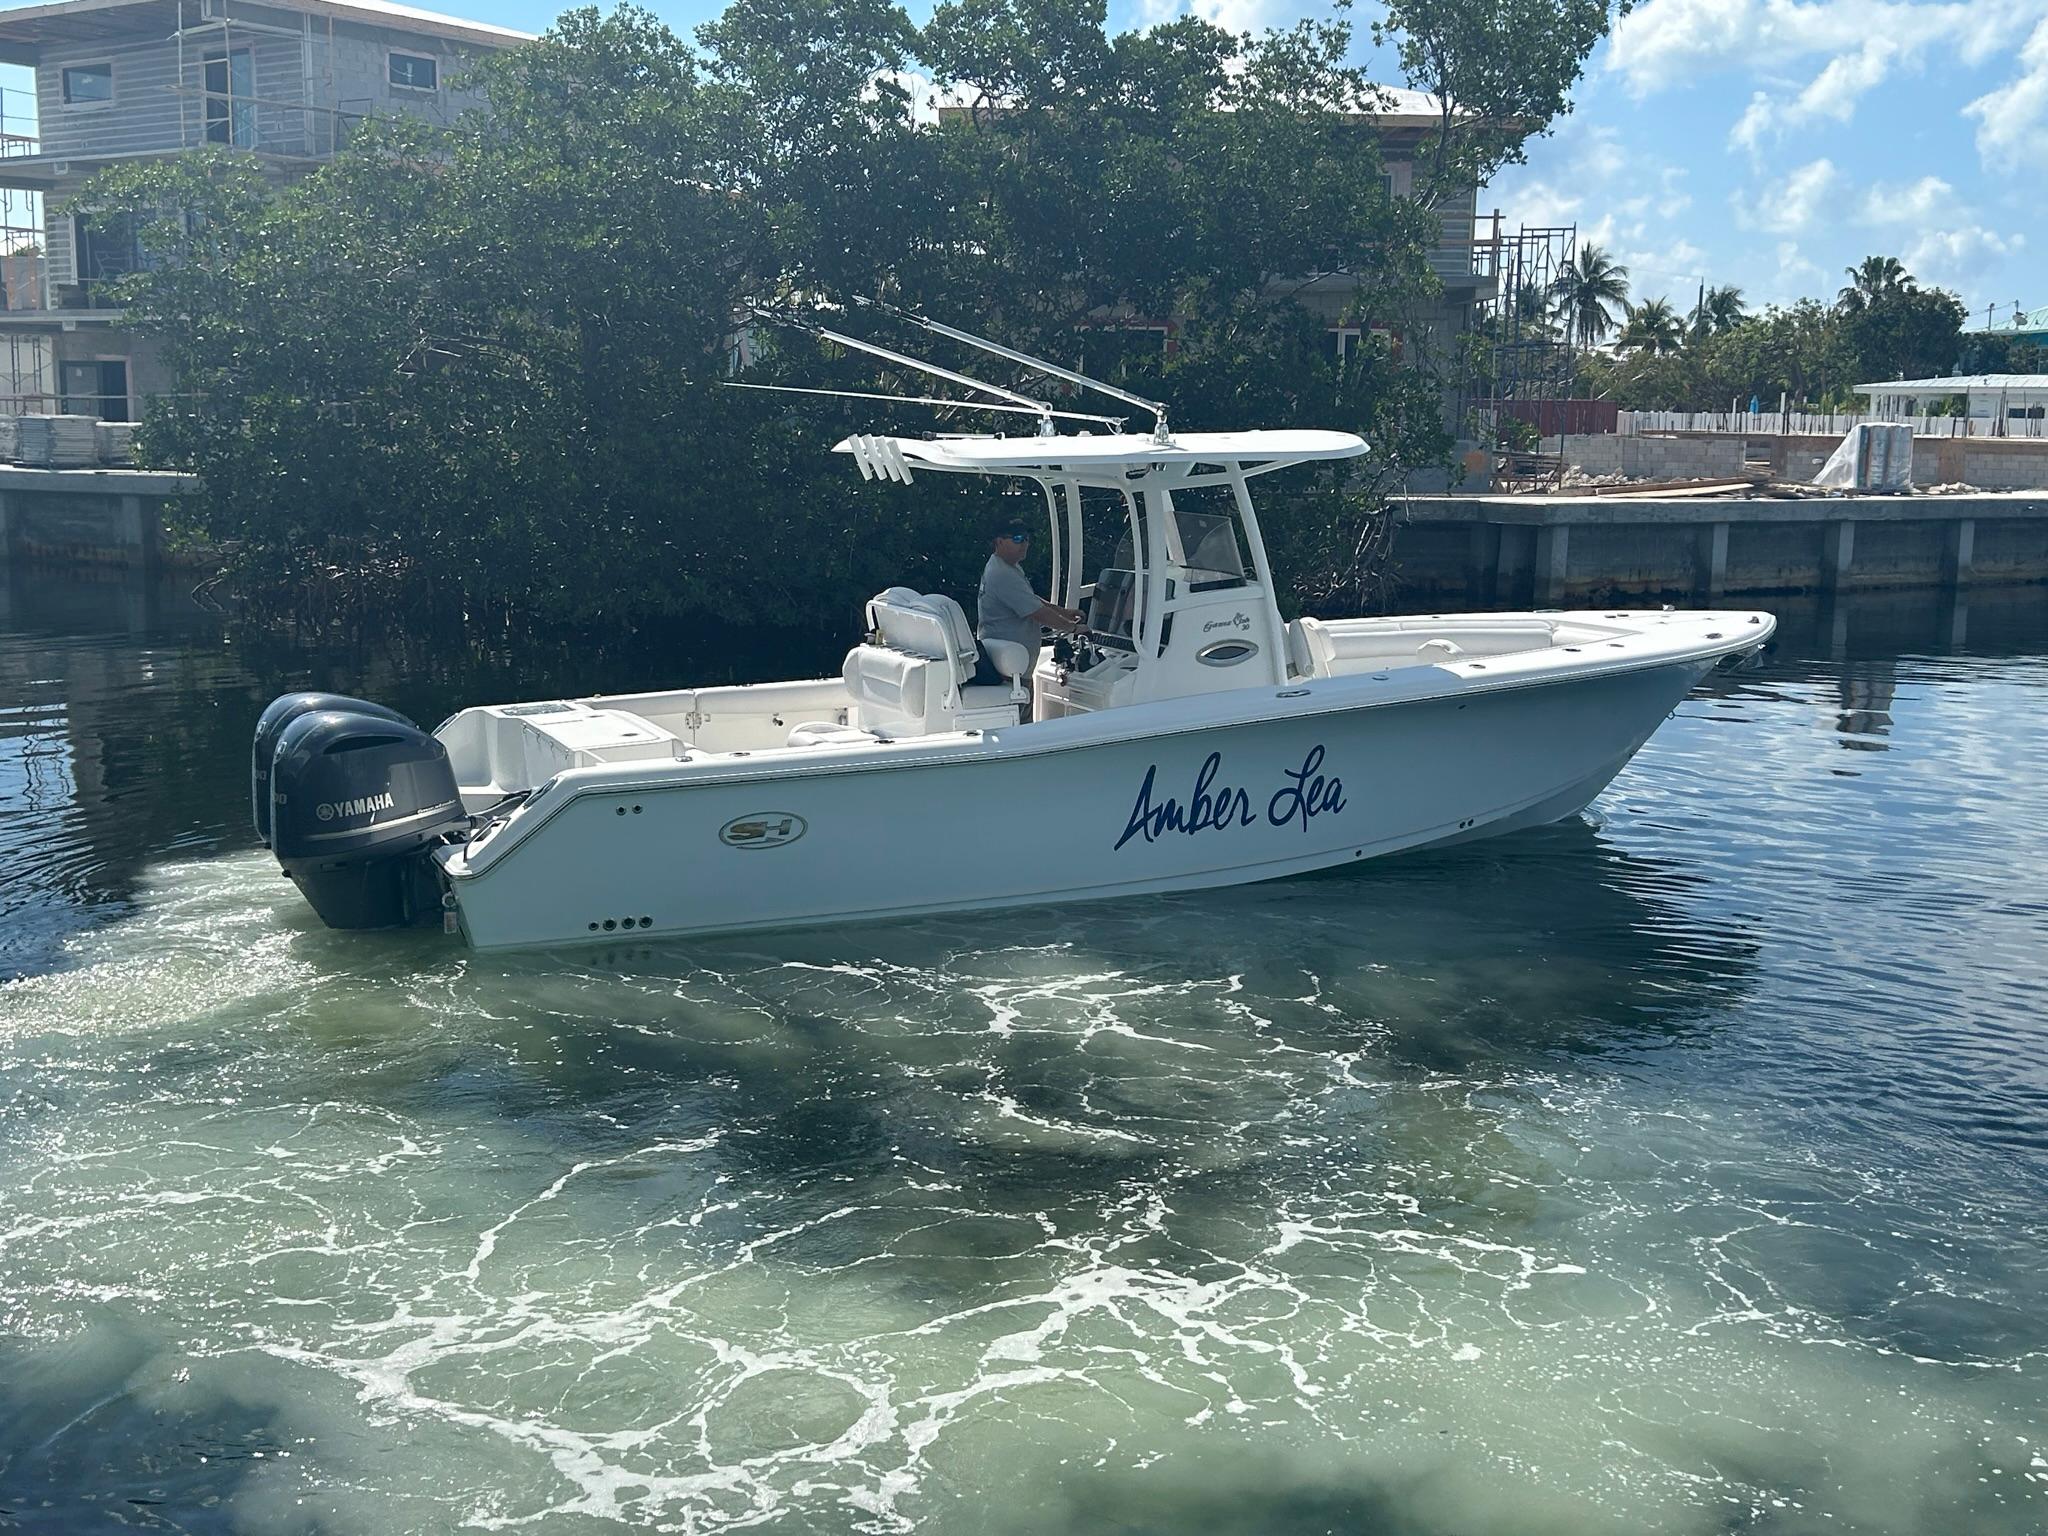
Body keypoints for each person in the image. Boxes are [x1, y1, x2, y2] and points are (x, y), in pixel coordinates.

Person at [977, 519, 1084, 678]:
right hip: (1009, 669)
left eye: (1027, 539)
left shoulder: (1007, 566)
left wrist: (1064, 612)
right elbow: (1037, 613)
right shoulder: (1002, 574)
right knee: (1023, 702)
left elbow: (1030, 599)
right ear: (999, 541)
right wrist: (1073, 628)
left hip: (1010, 664)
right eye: (1017, 539)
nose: (1025, 544)